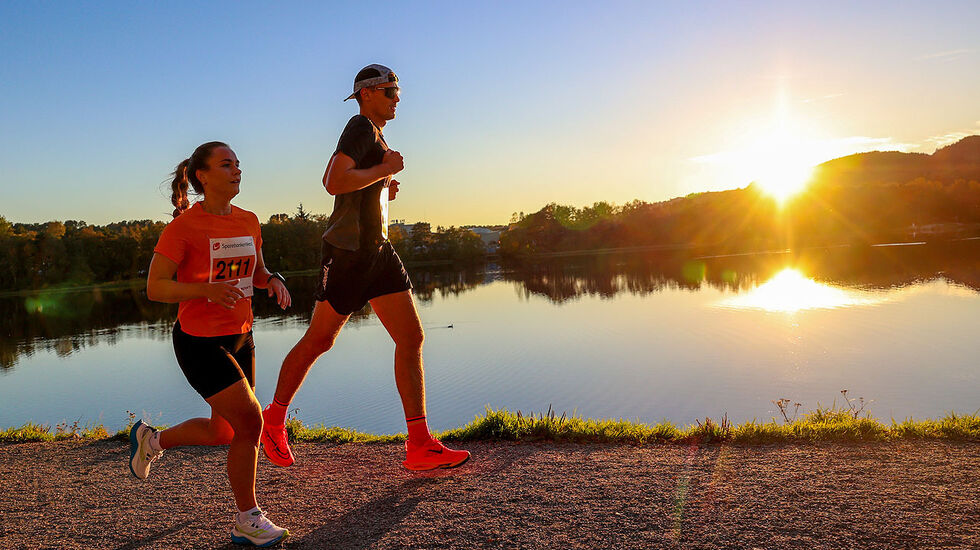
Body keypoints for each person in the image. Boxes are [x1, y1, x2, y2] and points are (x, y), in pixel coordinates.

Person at [260, 64, 470, 471]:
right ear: (368, 92)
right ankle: (273, 419)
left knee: (411, 337)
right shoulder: (359, 125)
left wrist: (380, 185)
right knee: (320, 340)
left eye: (399, 93)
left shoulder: (371, 133)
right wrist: (384, 170)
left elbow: (339, 176)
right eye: (391, 92)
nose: (397, 100)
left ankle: (420, 444)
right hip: (350, 254)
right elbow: (334, 182)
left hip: (379, 252)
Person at [130, 141, 292, 547]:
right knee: (252, 422)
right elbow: (155, 287)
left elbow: (255, 272)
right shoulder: (183, 227)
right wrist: (206, 290)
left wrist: (273, 280)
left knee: (224, 431)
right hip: (199, 343)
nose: (237, 170)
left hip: (240, 335)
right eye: (226, 164)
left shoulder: (249, 220)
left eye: (238, 163)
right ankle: (247, 519)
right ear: (202, 176)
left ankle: (152, 441)